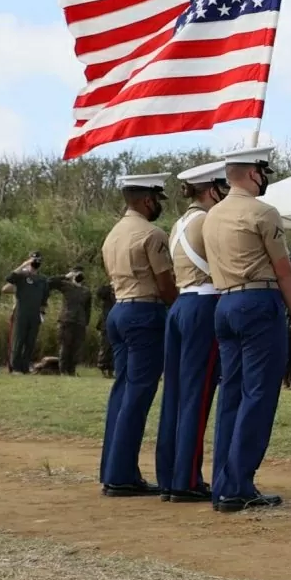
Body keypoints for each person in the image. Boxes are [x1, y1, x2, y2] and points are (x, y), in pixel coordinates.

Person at [204, 145, 291, 513]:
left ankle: (223, 482)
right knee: (258, 395)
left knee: (231, 394)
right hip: (258, 303)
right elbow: (285, 271)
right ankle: (239, 483)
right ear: (253, 173)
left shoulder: (212, 216)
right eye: (263, 171)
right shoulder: (263, 213)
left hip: (225, 303)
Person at [155, 161, 227, 504]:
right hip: (204, 304)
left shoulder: (179, 223)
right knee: (197, 398)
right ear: (212, 189)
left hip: (181, 305)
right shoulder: (210, 220)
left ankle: (170, 475)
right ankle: (186, 479)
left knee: (177, 395)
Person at [99, 175, 175, 497]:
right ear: (148, 200)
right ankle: (121, 476)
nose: (158, 206)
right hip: (145, 313)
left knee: (122, 392)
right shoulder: (152, 234)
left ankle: (114, 470)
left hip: (119, 311)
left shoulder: (112, 235)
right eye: (157, 199)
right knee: (138, 395)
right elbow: (166, 284)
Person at [3, 253, 51, 374]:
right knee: (18, 340)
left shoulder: (42, 280)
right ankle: (15, 367)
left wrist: (42, 313)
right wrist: (24, 264)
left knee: (30, 341)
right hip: (21, 312)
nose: (36, 262)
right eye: (34, 259)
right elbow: (9, 278)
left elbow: (44, 299)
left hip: (35, 314)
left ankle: (25, 367)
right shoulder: (22, 276)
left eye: (38, 260)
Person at [49, 267, 95, 375]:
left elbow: (88, 308)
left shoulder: (86, 291)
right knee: (65, 346)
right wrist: (65, 276)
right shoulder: (67, 286)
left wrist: (86, 322)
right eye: (77, 273)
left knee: (76, 348)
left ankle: (72, 370)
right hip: (67, 319)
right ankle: (63, 370)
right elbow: (50, 282)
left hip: (80, 322)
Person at [95, 280, 116, 378]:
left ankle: (111, 369)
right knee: (105, 346)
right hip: (106, 323)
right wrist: (110, 285)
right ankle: (103, 368)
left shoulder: (120, 293)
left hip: (117, 322)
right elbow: (99, 292)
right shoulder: (107, 293)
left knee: (114, 347)